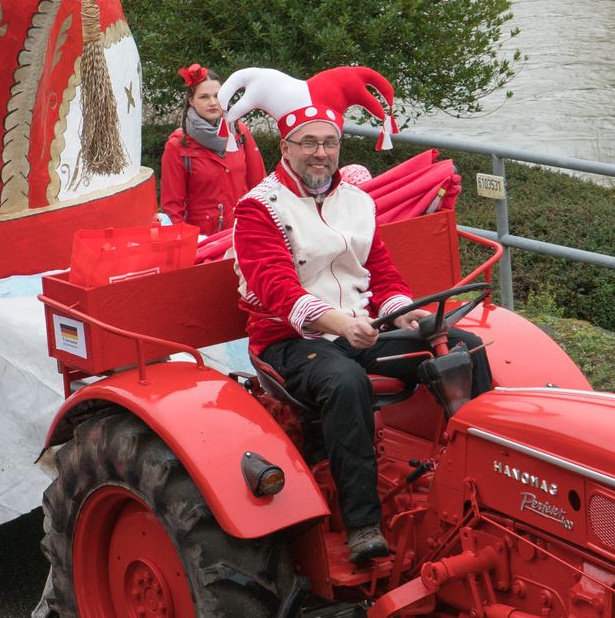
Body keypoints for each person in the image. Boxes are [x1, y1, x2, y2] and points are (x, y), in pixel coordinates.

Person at [225, 65, 422, 565]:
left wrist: (400, 313)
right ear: (285, 147)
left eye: (329, 142)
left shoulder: (358, 201)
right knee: (344, 382)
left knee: (459, 350)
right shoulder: (258, 209)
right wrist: (339, 324)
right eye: (307, 142)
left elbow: (382, 271)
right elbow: (277, 291)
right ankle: (362, 525)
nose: (320, 153)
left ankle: (461, 479)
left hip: (360, 328)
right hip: (288, 340)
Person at [159, 64, 266, 235]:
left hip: (242, 234)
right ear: (191, 101)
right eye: (204, 97)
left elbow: (260, 188)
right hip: (202, 241)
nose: (213, 102)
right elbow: (173, 207)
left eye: (217, 95)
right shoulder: (178, 145)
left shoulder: (240, 133)